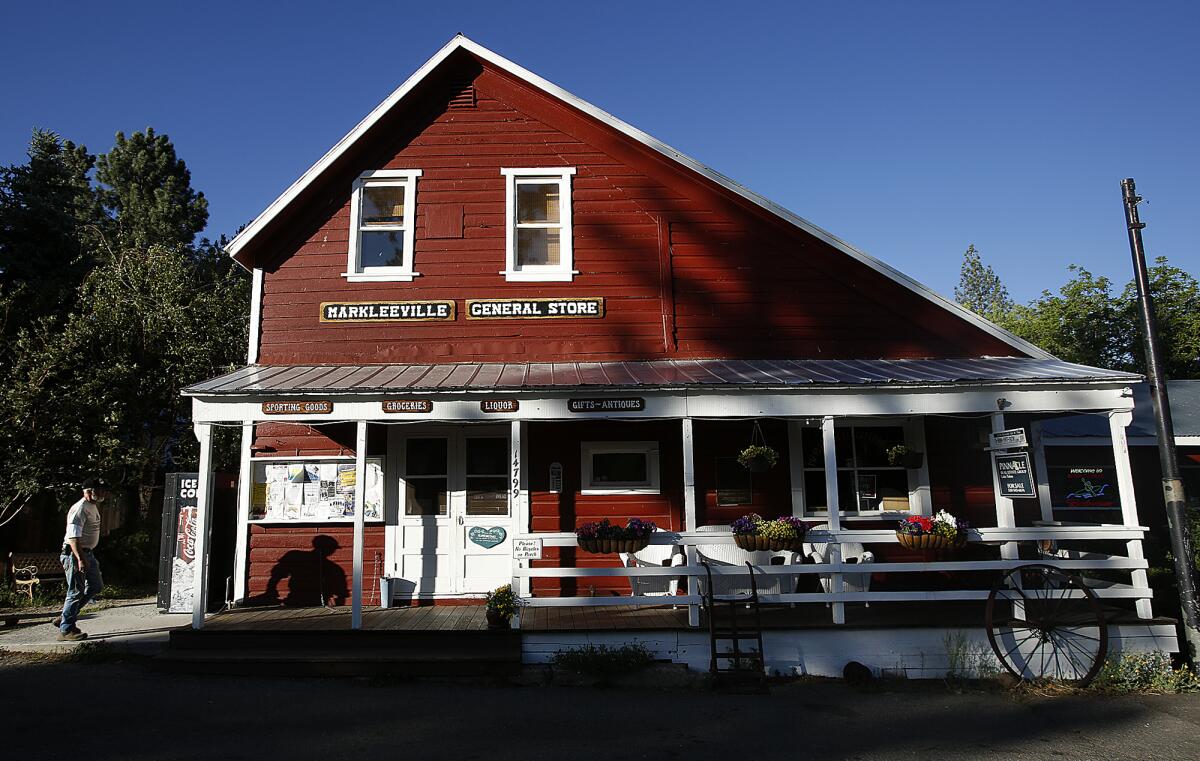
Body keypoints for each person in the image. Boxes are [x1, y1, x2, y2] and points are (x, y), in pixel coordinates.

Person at [55, 476, 110, 641]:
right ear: (88, 491)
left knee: (95, 586)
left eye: (103, 490)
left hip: (88, 553)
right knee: (75, 591)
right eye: (98, 490)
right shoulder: (80, 508)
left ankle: (66, 616)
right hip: (75, 554)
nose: (102, 493)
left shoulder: (92, 506)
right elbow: (73, 537)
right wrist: (80, 558)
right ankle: (66, 630)